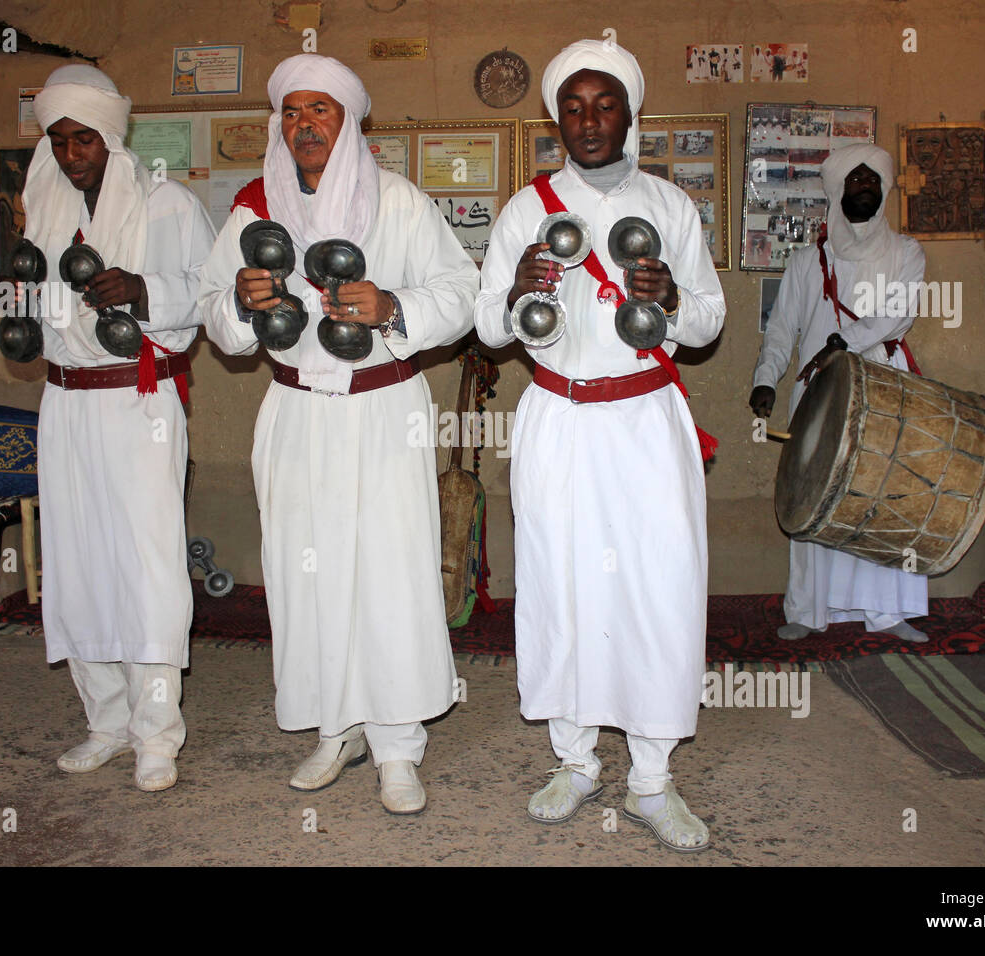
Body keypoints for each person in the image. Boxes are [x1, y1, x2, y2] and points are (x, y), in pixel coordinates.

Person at [198, 54, 479, 815]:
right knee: (305, 572)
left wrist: (391, 305)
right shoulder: (254, 212)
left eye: (320, 110)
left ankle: (396, 745)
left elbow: (461, 295)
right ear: (278, 126)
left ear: (348, 121)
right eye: (291, 112)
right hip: (295, 413)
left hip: (383, 411)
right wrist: (241, 300)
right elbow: (217, 327)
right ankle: (335, 727)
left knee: (390, 574)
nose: (305, 124)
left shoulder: (399, 203)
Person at [474, 39, 725, 852]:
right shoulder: (526, 207)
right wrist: (515, 286)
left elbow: (710, 320)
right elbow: (484, 325)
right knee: (562, 584)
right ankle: (575, 761)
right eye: (573, 107)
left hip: (647, 420)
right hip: (559, 417)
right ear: (557, 118)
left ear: (630, 114)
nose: (588, 121)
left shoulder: (672, 206)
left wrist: (676, 296)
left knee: (660, 587)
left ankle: (652, 779)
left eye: (604, 104)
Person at [22, 64, 215, 791]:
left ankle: (157, 733)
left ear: (111, 137)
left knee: (146, 562)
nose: (73, 155)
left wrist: (143, 290)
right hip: (65, 400)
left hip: (139, 402)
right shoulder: (40, 204)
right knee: (77, 559)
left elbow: (210, 295)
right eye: (61, 141)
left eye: (86, 140)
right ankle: (105, 721)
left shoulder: (166, 203)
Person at [750, 144, 929, 643]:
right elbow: (783, 326)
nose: (864, 188)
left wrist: (840, 345)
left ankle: (887, 613)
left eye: (872, 180)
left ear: (885, 188)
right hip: (819, 392)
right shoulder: (809, 262)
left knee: (883, 495)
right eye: (854, 181)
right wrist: (766, 378)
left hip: (883, 385)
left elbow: (897, 314)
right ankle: (808, 611)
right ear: (837, 190)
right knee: (816, 498)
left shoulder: (906, 253)